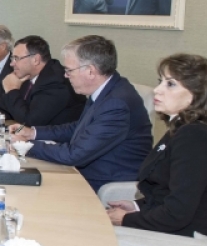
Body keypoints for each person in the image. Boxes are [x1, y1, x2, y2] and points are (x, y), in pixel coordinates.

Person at [107, 54, 207, 237]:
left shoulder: (195, 136)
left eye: (170, 84)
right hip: (175, 231)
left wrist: (126, 219)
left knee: (96, 240)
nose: (157, 90)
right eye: (160, 82)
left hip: (188, 244)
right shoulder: (183, 128)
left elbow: (177, 213)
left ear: (196, 95)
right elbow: (168, 194)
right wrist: (136, 206)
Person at [12, 35, 152, 191]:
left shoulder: (116, 104)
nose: (65, 75)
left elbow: (74, 155)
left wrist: (25, 145)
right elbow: (78, 127)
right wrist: (33, 133)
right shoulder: (106, 89)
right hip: (86, 172)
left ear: (90, 71)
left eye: (69, 70)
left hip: (104, 182)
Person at [0, 35, 86, 127]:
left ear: (36, 60)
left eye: (17, 58)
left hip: (61, 135)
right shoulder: (29, 75)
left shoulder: (55, 82)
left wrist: (12, 90)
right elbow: (15, 108)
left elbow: (30, 122)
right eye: (12, 58)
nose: (12, 64)